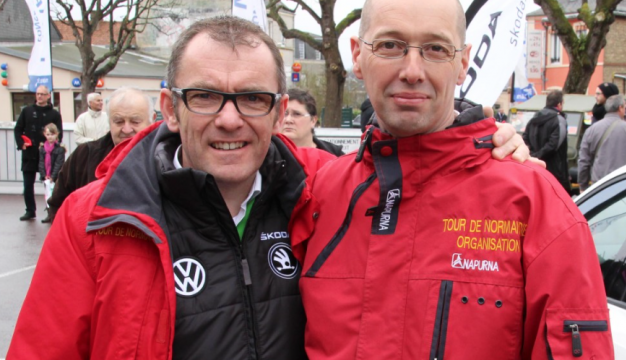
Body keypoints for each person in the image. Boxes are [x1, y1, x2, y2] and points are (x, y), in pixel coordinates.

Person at [9, 16, 529, 360]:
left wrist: (484, 146)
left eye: (253, 99)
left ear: (280, 112)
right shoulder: (94, 221)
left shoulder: (326, 193)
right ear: (170, 108)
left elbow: (421, 180)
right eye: (207, 97)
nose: (230, 120)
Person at [291, 1, 613, 359]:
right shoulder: (317, 195)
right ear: (357, 55)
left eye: (436, 49)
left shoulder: (536, 204)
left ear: (461, 64)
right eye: (390, 45)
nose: (412, 70)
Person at [46, 87, 156, 223]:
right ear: (109, 121)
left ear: (152, 120)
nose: (127, 129)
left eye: (135, 121)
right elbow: (58, 206)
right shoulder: (83, 156)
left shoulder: (165, 158)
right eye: (119, 121)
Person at [13, 85, 63, 221]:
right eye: (38, 94)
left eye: (43, 94)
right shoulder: (27, 111)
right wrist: (21, 144)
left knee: (50, 185)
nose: (39, 96)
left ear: (48, 96)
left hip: (48, 155)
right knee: (28, 184)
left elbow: (60, 133)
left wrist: (55, 149)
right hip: (29, 153)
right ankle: (30, 210)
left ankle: (50, 211)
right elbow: (18, 129)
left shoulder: (54, 114)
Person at [578, 94, 626, 192]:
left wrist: (583, 186)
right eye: (625, 107)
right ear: (620, 108)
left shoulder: (591, 130)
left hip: (600, 186)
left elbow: (584, 161)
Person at [523, 90, 570, 193]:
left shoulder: (534, 118)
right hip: (555, 169)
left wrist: (533, 155)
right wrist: (539, 155)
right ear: (559, 104)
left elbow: (525, 138)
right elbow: (554, 144)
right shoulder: (559, 120)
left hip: (535, 167)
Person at [281, 88, 344, 156]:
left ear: (313, 120)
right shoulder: (269, 156)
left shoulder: (335, 156)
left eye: (297, 114)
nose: (288, 120)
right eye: (284, 114)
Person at [38, 123, 66, 223]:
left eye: (52, 134)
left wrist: (53, 177)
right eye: (48, 134)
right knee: (47, 196)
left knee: (55, 195)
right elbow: (41, 163)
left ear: (56, 135)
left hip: (55, 177)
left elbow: (59, 164)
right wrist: (43, 175)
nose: (50, 137)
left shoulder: (60, 149)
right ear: (45, 135)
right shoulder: (42, 149)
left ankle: (56, 214)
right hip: (46, 177)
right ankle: (49, 214)